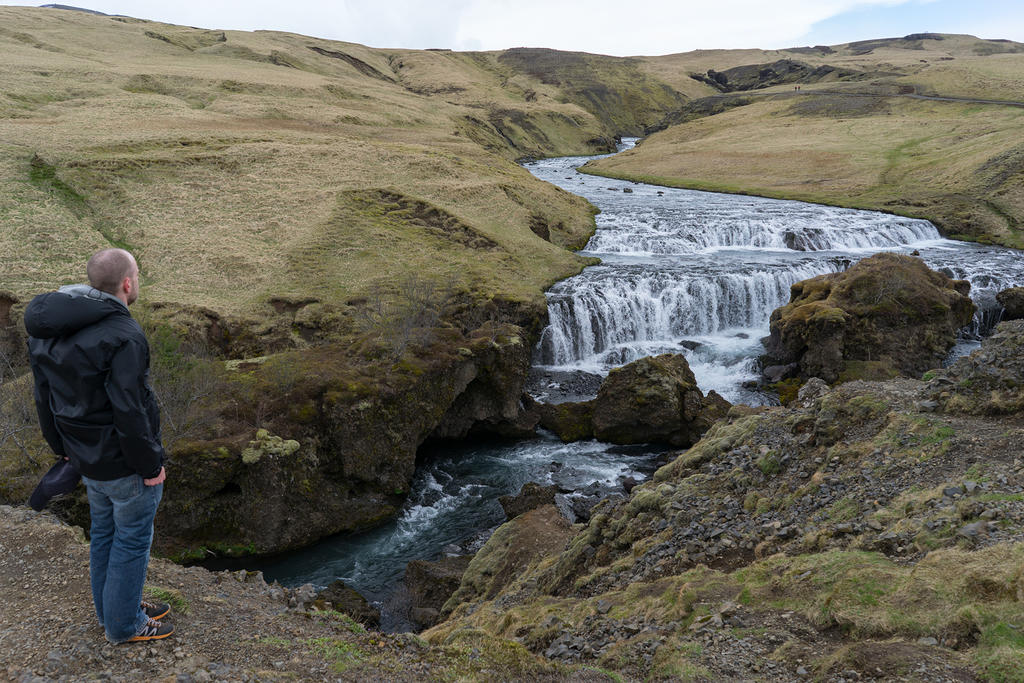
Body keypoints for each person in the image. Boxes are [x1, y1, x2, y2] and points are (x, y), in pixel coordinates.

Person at [24, 248, 174, 643]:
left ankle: (113, 612)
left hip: (84, 456)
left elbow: (44, 399)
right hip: (123, 461)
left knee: (105, 536)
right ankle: (124, 626)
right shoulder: (124, 335)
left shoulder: (49, 330)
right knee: (131, 540)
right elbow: (130, 409)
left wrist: (64, 449)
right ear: (127, 283)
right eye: (137, 275)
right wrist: (150, 464)